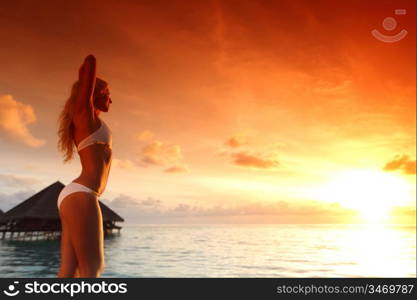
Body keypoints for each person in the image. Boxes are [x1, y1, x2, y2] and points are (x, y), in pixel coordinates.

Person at [56, 54, 113, 277]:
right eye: (107, 94)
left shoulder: (90, 120)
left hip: (75, 194)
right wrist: (88, 76)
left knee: (69, 271)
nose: (111, 99)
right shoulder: (84, 115)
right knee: (92, 269)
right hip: (83, 194)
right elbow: (89, 62)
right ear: (94, 94)